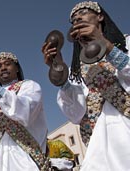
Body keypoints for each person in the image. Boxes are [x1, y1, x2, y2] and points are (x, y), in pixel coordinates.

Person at [42, 1, 130, 170]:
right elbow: (76, 114)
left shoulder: (125, 44)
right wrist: (60, 71)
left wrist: (105, 45)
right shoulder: (78, 68)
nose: (78, 18)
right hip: (98, 142)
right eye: (73, 19)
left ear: (100, 16)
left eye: (83, 12)